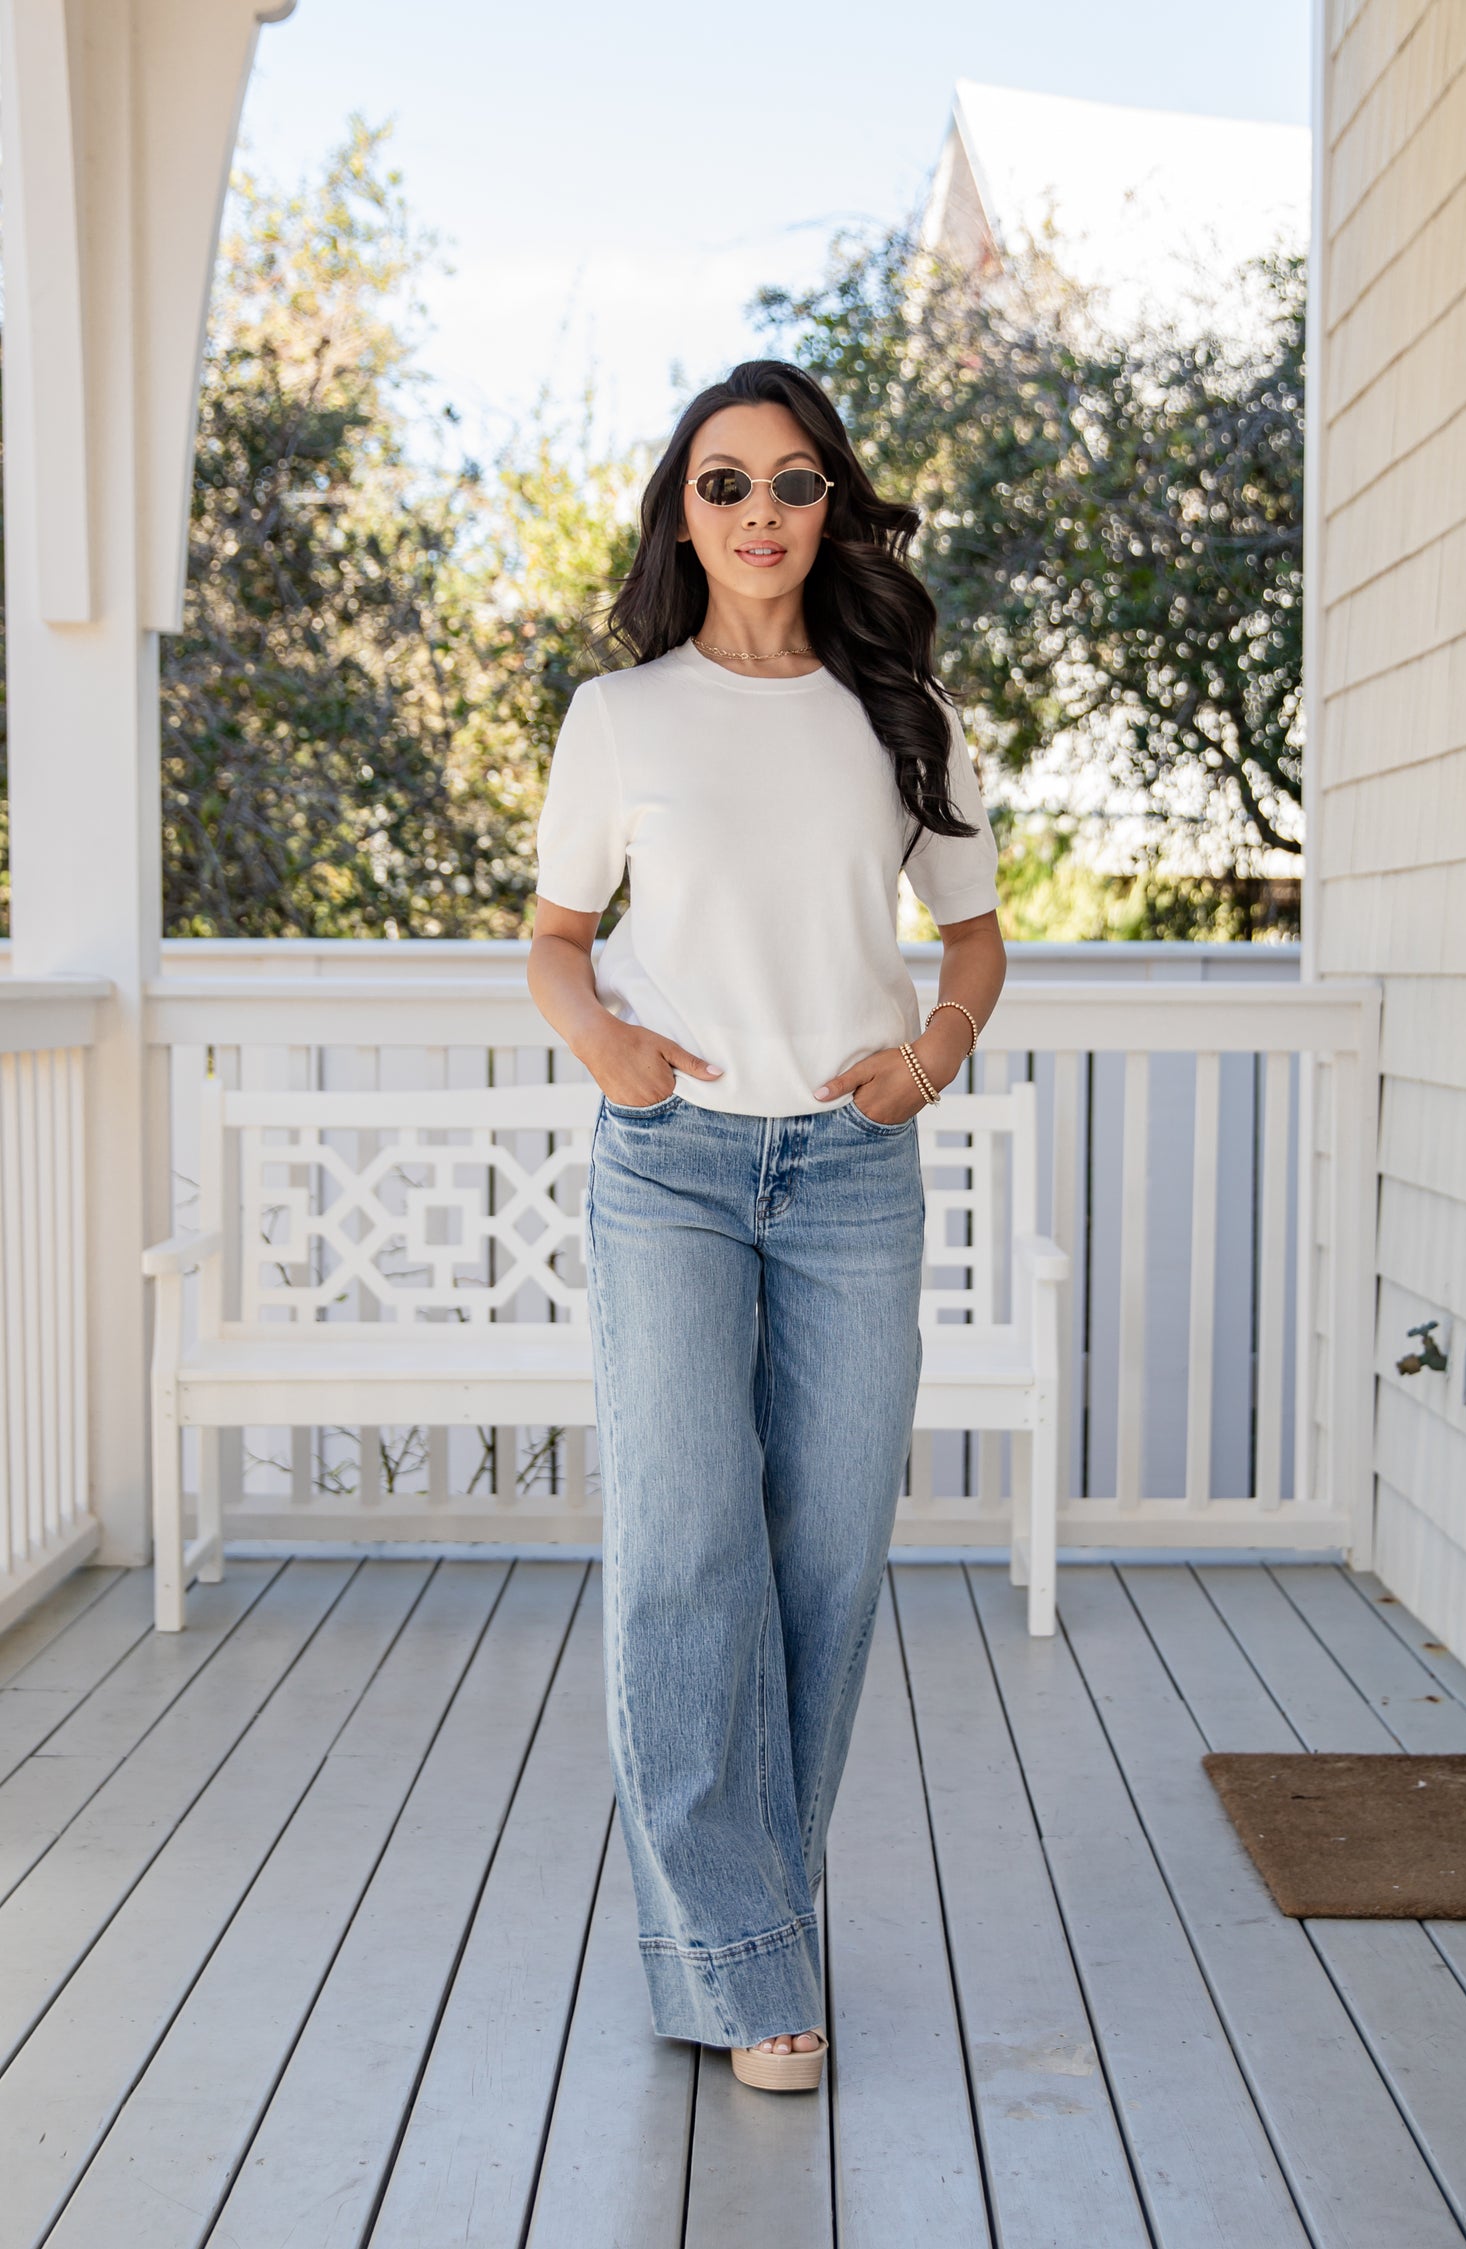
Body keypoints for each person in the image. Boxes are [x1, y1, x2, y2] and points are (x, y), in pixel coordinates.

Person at [527, 358, 1005, 2094]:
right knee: (684, 1549)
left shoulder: (903, 712)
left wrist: (931, 1059)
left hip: (851, 1172)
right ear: (683, 513)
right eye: (722, 485)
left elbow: (972, 933)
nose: (759, 515)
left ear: (832, 508)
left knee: (824, 1555)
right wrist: (616, 1058)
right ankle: (751, 1962)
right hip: (671, 1170)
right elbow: (556, 938)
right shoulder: (621, 714)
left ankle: (740, 1934)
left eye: (792, 483)